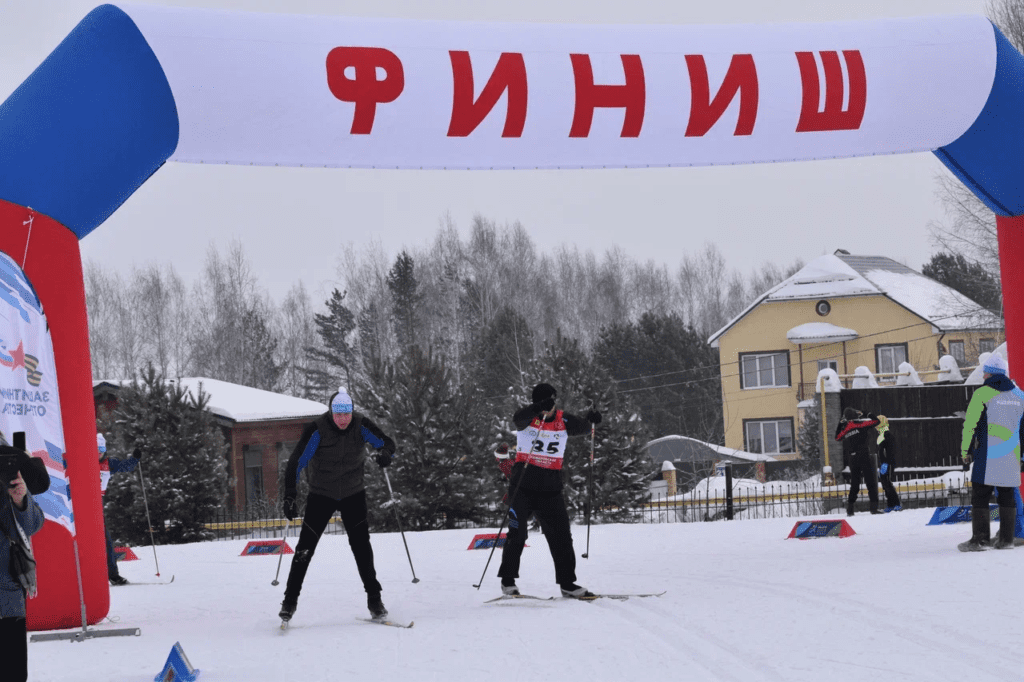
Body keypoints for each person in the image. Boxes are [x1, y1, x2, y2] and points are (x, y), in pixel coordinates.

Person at [278, 387, 397, 622]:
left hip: (353, 493)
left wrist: (385, 455)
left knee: (362, 547)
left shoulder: (361, 425)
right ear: (331, 413)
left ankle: (375, 600)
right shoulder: (318, 429)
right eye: (338, 414)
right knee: (304, 549)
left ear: (352, 412)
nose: (343, 419)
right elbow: (296, 462)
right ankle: (289, 602)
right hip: (322, 494)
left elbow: (387, 443)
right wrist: (290, 495)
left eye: (347, 414)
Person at [496, 382, 601, 599]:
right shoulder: (528, 418)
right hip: (522, 487)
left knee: (562, 536)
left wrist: (591, 420)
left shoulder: (563, 419)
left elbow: (581, 427)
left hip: (550, 489)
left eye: (550, 402)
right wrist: (537, 408)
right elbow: (518, 418)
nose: (548, 408)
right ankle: (508, 581)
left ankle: (567, 584)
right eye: (543, 403)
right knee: (518, 533)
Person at [958, 354, 1024, 551]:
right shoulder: (1020, 395)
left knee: (980, 495)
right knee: (1007, 495)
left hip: (988, 453)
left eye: (984, 372)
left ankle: (980, 540)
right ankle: (1006, 540)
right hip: (1011, 453)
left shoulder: (982, 393)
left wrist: (965, 450)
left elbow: (970, 424)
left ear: (988, 373)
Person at [0, 444, 47, 682]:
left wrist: (19, 499)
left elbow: (31, 526)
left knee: (12, 673)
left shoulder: (7, 477)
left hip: (5, 599)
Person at [97, 433, 140, 585]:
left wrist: (135, 458)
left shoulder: (110, 463)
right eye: (95, 450)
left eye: (100, 451)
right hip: (78, 505)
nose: (98, 454)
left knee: (105, 540)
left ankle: (113, 575)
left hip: (97, 504)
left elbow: (126, 466)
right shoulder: (84, 461)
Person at [835, 407, 882, 516]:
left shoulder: (846, 429)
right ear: (856, 416)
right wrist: (867, 413)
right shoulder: (861, 425)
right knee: (870, 482)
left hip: (853, 459)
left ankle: (850, 510)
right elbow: (876, 422)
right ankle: (874, 508)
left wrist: (840, 424)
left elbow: (837, 437)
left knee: (855, 484)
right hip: (864, 456)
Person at [875, 416, 902, 512]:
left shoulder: (888, 435)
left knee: (888, 483)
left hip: (888, 463)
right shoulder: (881, 436)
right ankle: (890, 505)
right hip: (883, 464)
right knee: (884, 483)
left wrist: (886, 463)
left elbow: (891, 451)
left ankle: (897, 504)